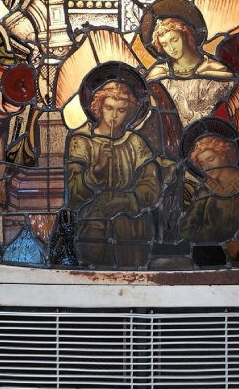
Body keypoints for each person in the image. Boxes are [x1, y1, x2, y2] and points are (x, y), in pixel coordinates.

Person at [66, 78, 166, 266]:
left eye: (121, 110)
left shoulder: (135, 143)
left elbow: (152, 189)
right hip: (93, 226)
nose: (113, 116)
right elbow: (73, 194)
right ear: (98, 107)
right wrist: (96, 171)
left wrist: (127, 200)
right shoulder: (82, 141)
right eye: (109, 108)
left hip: (132, 229)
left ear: (129, 113)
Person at [178, 133, 239, 245]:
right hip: (213, 252)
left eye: (210, 159)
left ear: (224, 155)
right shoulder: (205, 191)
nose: (206, 167)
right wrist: (212, 233)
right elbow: (185, 231)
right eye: (202, 164)